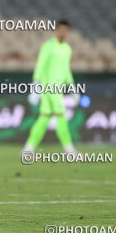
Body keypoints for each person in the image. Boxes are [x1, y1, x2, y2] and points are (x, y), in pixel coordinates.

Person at [23, 20, 77, 154]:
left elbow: (66, 70)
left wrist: (72, 88)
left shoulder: (67, 49)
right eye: (61, 30)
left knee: (44, 117)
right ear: (56, 30)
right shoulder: (48, 46)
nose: (63, 33)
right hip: (49, 88)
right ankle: (69, 149)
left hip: (58, 88)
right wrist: (35, 84)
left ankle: (28, 148)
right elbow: (40, 65)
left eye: (66, 31)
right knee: (61, 116)